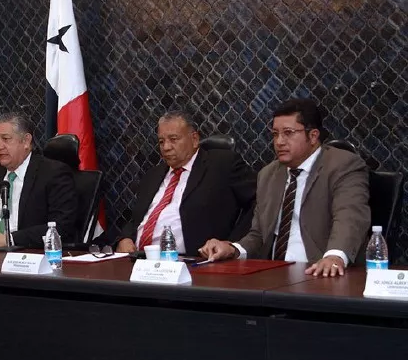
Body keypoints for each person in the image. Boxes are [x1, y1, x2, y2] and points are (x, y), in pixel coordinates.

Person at [200, 98, 371, 277]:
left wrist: (335, 256)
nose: (279, 142)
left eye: (288, 133)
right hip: (273, 274)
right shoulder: (268, 175)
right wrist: (232, 249)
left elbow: (349, 218)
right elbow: (259, 235)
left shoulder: (343, 165)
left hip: (321, 272)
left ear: (313, 136)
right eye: (275, 134)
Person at [116, 111, 257, 256]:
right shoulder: (153, 175)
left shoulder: (222, 164)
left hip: (192, 260)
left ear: (194, 139)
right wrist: (125, 238)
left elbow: (259, 201)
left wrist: (234, 245)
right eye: (161, 141)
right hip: (138, 259)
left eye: (173, 139)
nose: (166, 147)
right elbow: (136, 217)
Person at [0, 112, 78, 248]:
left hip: (34, 254)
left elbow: (61, 227)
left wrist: (10, 239)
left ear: (26, 141)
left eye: (6, 139)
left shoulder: (53, 173)